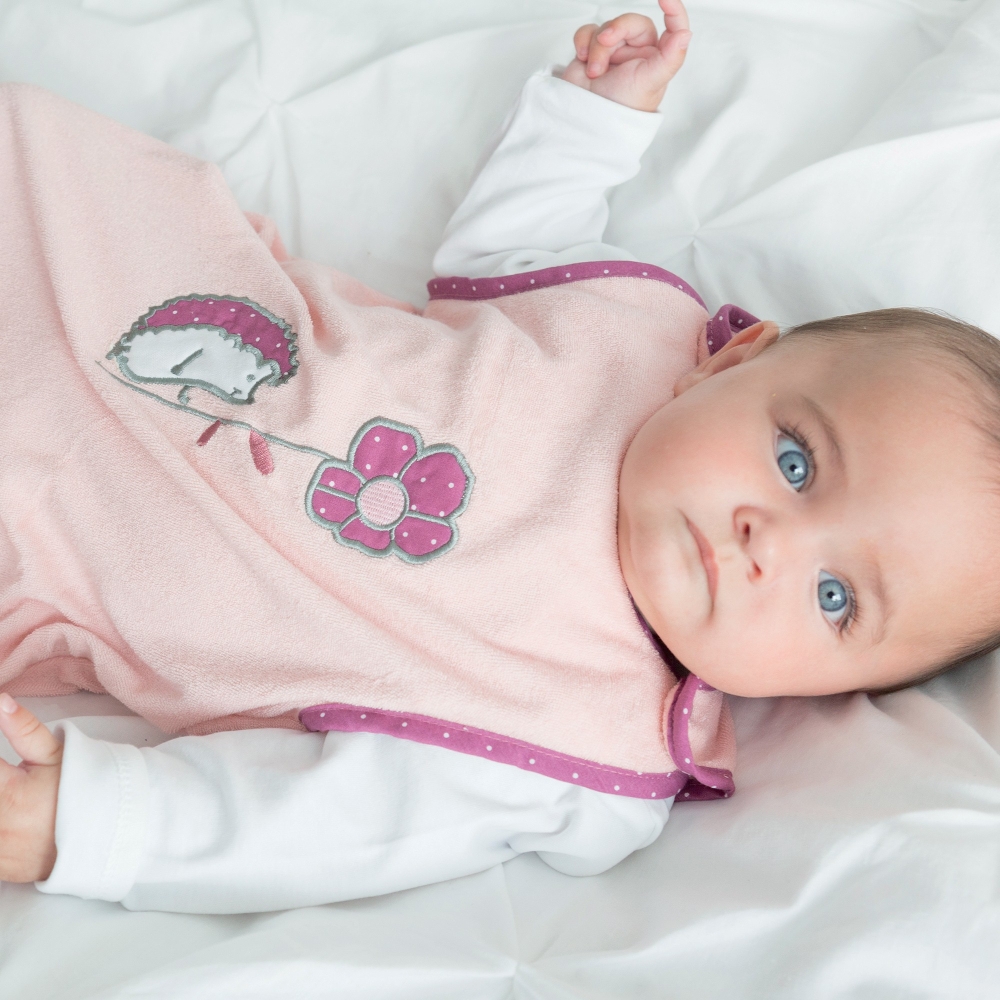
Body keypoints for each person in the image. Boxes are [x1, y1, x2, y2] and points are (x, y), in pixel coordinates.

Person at [2, 0, 999, 913]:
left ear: (830, 693)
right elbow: (504, 255)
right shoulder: (634, 332)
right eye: (796, 464)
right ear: (735, 360)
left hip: (59, 532)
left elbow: (333, 822)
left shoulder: (579, 740)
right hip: (125, 272)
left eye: (834, 598)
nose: (765, 543)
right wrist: (589, 122)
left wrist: (91, 824)